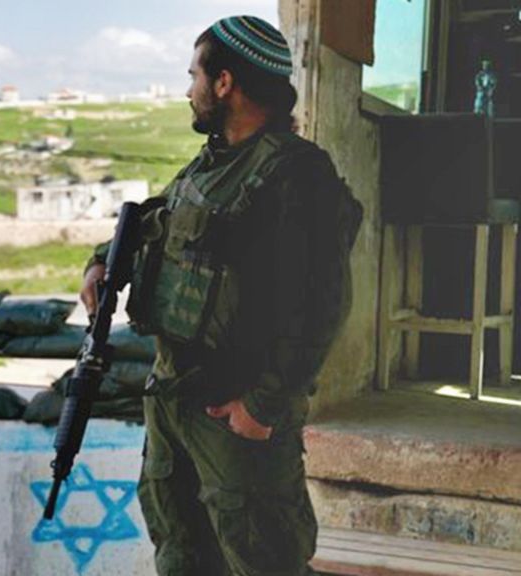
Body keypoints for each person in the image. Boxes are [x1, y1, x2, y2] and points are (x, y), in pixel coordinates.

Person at [80, 16, 359, 575]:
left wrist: (263, 405)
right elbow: (160, 220)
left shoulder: (296, 173)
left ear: (225, 82)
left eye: (195, 76)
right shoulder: (211, 162)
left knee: (262, 557)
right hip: (174, 400)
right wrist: (102, 261)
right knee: (181, 553)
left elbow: (323, 304)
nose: (190, 90)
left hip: (234, 413)